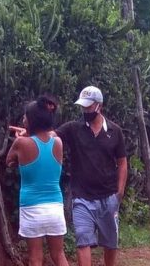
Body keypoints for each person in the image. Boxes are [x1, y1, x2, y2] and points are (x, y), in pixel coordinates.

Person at [55, 85, 128, 266]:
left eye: (89, 107)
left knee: (111, 242)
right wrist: (31, 135)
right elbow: (51, 136)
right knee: (82, 240)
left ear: (99, 106)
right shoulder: (73, 128)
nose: (85, 110)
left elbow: (122, 162)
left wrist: (119, 193)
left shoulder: (114, 131)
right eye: (83, 107)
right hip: (82, 197)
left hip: (108, 196)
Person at [6, 96, 69, 266]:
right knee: (59, 255)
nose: (23, 119)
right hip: (55, 206)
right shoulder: (58, 143)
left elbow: (9, 161)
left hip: (31, 207)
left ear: (32, 120)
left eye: (25, 116)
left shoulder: (20, 143)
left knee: (35, 258)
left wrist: (22, 136)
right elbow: (47, 137)